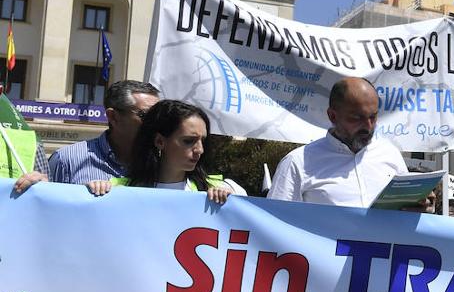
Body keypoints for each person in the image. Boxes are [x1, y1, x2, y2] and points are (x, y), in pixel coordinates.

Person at [268, 77, 407, 207]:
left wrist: (422, 206)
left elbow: (407, 208)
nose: (368, 126)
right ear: (333, 116)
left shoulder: (390, 154)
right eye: (357, 118)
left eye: (373, 117)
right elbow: (275, 220)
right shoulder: (297, 163)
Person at [85, 100, 243, 203]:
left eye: (203, 141)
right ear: (160, 141)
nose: (200, 150)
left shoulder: (222, 189)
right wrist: (94, 194)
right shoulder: (116, 189)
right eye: (188, 141)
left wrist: (233, 202)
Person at [47, 80, 160, 183]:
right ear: (113, 117)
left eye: (159, 116)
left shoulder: (166, 164)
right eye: (146, 115)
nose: (156, 123)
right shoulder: (66, 161)